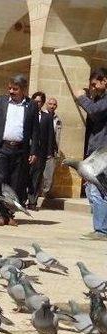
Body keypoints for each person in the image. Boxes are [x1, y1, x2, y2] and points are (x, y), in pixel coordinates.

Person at [0, 74, 40, 227]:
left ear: (23, 90)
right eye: (9, 88)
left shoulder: (32, 106)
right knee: (0, 181)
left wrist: (34, 151)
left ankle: (10, 214)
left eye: (15, 89)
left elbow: (35, 131)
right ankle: (0, 214)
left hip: (21, 150)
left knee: (16, 183)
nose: (11, 91)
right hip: (2, 148)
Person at [74, 67, 107, 239]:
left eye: (95, 84)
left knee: (97, 190)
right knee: (94, 189)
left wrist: (81, 97)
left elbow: (94, 111)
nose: (93, 88)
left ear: (104, 81)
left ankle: (101, 230)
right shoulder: (101, 99)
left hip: (103, 153)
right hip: (98, 151)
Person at [27, 91, 55, 210]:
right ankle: (21, 199)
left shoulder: (47, 117)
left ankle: (32, 202)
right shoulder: (26, 114)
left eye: (40, 102)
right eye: (35, 101)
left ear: (43, 103)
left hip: (40, 153)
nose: (37, 103)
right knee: (24, 176)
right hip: (26, 152)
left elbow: (50, 136)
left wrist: (49, 152)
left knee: (36, 177)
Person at [41, 97, 62, 197]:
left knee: (49, 173)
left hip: (51, 149)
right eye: (50, 104)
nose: (52, 106)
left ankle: (46, 192)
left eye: (54, 104)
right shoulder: (41, 115)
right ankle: (35, 192)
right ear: (46, 104)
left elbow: (57, 136)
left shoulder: (58, 120)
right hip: (40, 148)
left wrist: (56, 150)